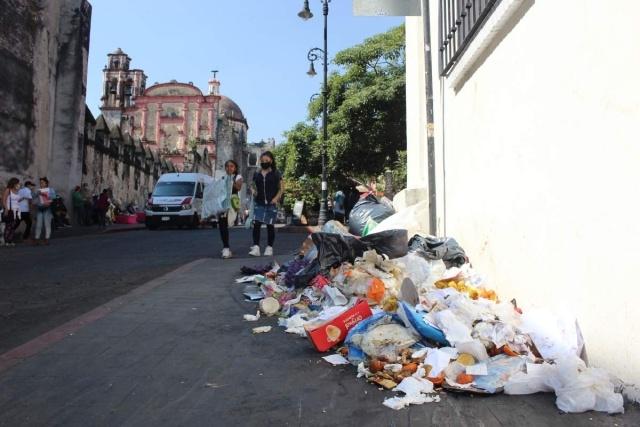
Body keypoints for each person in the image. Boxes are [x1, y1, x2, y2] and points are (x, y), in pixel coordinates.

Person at [249, 151, 283, 257]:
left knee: (270, 225)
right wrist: (253, 190)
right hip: (259, 202)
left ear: (271, 161)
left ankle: (269, 248)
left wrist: (276, 199)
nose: (264, 162)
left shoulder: (276, 173)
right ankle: (256, 248)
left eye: (266, 161)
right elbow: (252, 185)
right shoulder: (257, 173)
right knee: (257, 224)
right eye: (262, 161)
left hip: (271, 203)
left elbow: (282, 189)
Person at [218, 160, 243, 259]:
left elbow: (238, 188)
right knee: (222, 225)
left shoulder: (238, 177)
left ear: (235, 168)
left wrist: (230, 180)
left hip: (232, 203)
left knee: (229, 223)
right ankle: (226, 248)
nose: (229, 168)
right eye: (227, 166)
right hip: (223, 203)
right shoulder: (223, 177)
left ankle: (226, 247)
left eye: (232, 166)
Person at [34, 177, 55, 245]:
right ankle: (37, 239)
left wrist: (45, 194)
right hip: (40, 208)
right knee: (38, 224)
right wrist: (36, 193)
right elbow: (33, 197)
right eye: (40, 183)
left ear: (46, 183)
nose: (41, 184)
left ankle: (47, 239)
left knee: (47, 224)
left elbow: (53, 197)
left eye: (42, 182)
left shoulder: (50, 189)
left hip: (47, 208)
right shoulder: (38, 190)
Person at [2, 178, 22, 246]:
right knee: (8, 226)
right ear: (14, 183)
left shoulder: (17, 191)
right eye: (18, 183)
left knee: (13, 226)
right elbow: (4, 200)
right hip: (9, 210)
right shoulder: (8, 190)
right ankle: (6, 241)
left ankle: (10, 240)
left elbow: (17, 200)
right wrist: (6, 209)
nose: (19, 184)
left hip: (16, 210)